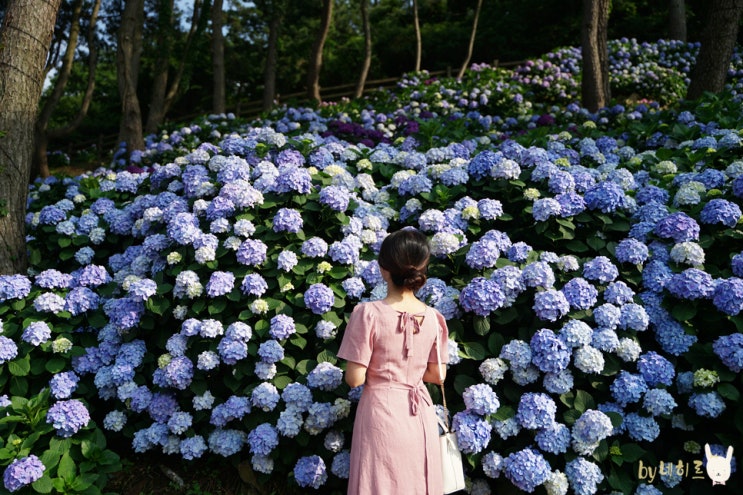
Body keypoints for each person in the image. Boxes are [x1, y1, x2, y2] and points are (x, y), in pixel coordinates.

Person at [338, 227, 450, 495]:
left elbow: (355, 379)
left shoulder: (368, 314)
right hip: (419, 414)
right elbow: (438, 376)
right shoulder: (434, 318)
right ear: (423, 269)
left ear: (382, 269)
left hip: (381, 413)